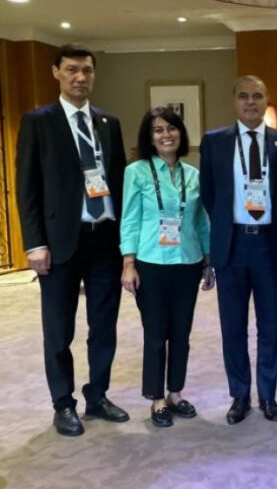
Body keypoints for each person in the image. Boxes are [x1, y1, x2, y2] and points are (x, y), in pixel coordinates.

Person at [15, 43, 130, 436]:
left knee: (104, 326)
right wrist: (34, 243)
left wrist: (126, 243)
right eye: (71, 70)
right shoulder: (38, 121)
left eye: (87, 70)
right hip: (60, 241)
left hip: (105, 240)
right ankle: (63, 403)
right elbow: (26, 187)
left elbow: (118, 181)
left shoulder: (108, 122)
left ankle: (97, 396)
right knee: (59, 330)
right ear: (56, 73)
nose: (80, 77)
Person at [199, 75, 277, 425]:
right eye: (243, 96)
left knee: (271, 324)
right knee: (233, 326)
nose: (250, 102)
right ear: (234, 101)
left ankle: (268, 395)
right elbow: (209, 194)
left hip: (269, 244)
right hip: (232, 244)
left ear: (266, 100)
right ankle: (239, 395)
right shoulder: (214, 142)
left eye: (257, 96)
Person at [119, 107, 215, 427]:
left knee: (181, 333)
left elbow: (202, 221)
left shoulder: (193, 175)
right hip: (151, 262)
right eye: (158, 130)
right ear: (150, 138)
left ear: (180, 133)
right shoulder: (136, 172)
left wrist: (209, 260)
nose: (166, 135)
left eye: (171, 128)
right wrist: (128, 263)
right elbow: (130, 219)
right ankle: (156, 398)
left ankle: (175, 393)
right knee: (156, 333)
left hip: (188, 262)